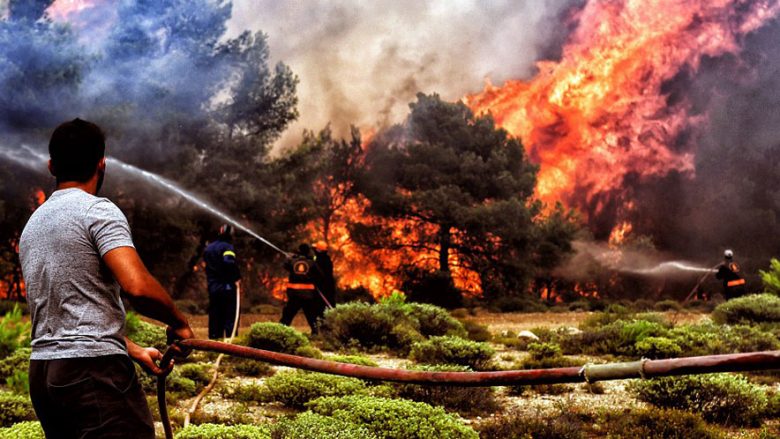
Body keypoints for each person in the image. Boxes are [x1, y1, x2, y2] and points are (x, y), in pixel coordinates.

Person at [19, 118, 194, 439]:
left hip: (44, 374)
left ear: (51, 165)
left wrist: (130, 348)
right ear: (102, 163)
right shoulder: (97, 211)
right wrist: (179, 322)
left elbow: (67, 313)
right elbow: (138, 287)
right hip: (92, 374)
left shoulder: (34, 225)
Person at [204, 224, 242, 339]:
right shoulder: (227, 247)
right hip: (227, 287)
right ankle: (231, 345)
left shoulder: (208, 248)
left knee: (215, 316)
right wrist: (236, 278)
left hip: (213, 288)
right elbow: (228, 262)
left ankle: (214, 343)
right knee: (230, 316)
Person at [280, 243, 322, 334]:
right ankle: (315, 332)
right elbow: (319, 275)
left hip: (294, 295)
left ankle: (281, 330)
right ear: (308, 251)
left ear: (299, 251)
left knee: (288, 314)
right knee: (311, 315)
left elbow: (285, 265)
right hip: (308, 295)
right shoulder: (311, 263)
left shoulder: (292, 262)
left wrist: (288, 258)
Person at [313, 240, 335, 309]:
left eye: (315, 249)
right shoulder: (327, 259)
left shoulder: (319, 260)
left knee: (321, 305)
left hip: (321, 286)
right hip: (329, 285)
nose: (314, 250)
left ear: (319, 251)